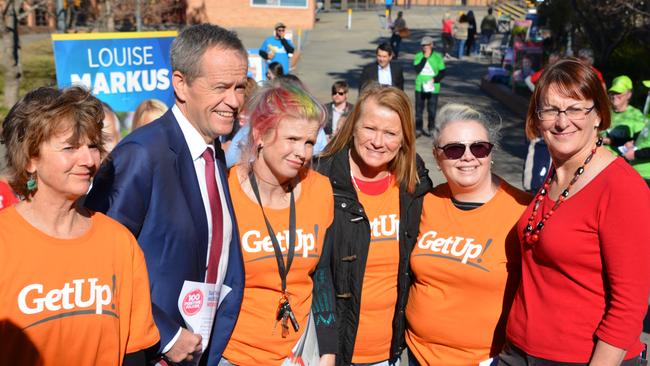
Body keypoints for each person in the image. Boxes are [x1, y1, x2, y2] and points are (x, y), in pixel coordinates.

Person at [85, 24, 248, 364]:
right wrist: (165, 334)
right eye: (221, 87)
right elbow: (100, 259)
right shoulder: (142, 154)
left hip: (198, 350)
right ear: (180, 84)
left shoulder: (212, 149)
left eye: (240, 87)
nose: (234, 101)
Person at [501, 58, 650, 365]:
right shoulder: (559, 172)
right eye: (550, 109)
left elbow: (629, 306)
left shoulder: (622, 188)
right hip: (519, 350)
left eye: (575, 109)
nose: (561, 121)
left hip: (579, 357)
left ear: (597, 115)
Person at [0, 86, 159, 365]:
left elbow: (135, 351)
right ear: (29, 159)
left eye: (93, 146)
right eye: (70, 147)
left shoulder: (119, 243)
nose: (88, 160)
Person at [220, 79, 336, 366]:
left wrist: (328, 351)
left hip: (299, 353)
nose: (303, 153)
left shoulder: (320, 190)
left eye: (309, 142)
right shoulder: (224, 191)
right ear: (260, 134)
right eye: (292, 139)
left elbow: (322, 276)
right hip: (234, 354)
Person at [315, 84, 433, 366]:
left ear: (404, 138)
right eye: (370, 128)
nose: (378, 142)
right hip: (326, 353)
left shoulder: (414, 185)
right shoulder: (321, 179)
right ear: (352, 126)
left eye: (391, 133)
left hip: (388, 354)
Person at [407, 103, 530, 365]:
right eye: (454, 149)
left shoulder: (522, 210)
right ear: (437, 157)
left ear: (490, 153)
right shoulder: (425, 202)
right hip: (417, 353)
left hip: (486, 359)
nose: (467, 156)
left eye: (478, 147)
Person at [603, 75, 645, 154]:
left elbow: (639, 140)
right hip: (597, 158)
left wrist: (610, 141)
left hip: (619, 160)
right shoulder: (604, 111)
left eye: (618, 92)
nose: (614, 96)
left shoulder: (636, 114)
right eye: (612, 92)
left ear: (629, 94)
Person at [413, 36, 445, 138]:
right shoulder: (418, 56)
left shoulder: (437, 57)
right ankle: (418, 129)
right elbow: (417, 69)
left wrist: (434, 79)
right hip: (420, 87)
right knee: (418, 110)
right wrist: (424, 58)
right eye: (423, 45)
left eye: (427, 45)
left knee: (432, 110)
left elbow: (442, 72)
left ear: (431, 45)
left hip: (433, 88)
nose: (425, 47)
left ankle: (431, 128)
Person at [621, 79, 650, 187]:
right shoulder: (648, 115)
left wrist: (635, 154)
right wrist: (633, 143)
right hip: (638, 172)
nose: (648, 94)